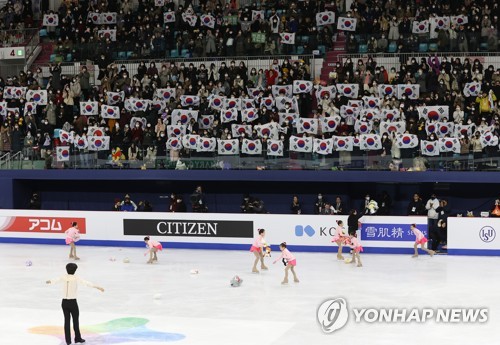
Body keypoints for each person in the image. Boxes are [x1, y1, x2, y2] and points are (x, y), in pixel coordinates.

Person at [46, 263, 104, 345]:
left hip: (64, 303)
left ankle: (68, 341)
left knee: (67, 321)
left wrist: (49, 281)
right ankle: (77, 338)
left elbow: (55, 280)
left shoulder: (63, 277)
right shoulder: (76, 278)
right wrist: (97, 287)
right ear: (75, 270)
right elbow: (86, 283)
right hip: (72, 303)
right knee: (75, 321)